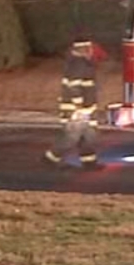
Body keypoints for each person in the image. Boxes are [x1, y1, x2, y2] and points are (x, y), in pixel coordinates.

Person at [44, 37, 102, 170]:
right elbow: (73, 86)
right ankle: (50, 159)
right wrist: (80, 107)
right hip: (77, 110)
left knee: (88, 136)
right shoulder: (78, 64)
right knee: (71, 138)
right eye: (89, 48)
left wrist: (88, 107)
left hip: (86, 109)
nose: (91, 51)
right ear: (84, 49)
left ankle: (89, 162)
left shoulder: (83, 64)